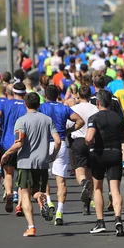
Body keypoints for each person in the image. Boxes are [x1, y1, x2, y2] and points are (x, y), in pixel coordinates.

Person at [1, 92, 61, 237]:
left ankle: (31, 226)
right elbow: (58, 141)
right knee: (38, 191)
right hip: (42, 162)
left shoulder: (21, 121)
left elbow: (19, 143)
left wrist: (6, 154)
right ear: (39, 104)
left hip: (25, 162)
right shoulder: (47, 120)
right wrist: (52, 155)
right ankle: (42, 199)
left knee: (25, 193)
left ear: (25, 104)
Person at [86, 90, 124, 236]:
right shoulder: (118, 117)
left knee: (98, 188)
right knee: (115, 190)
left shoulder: (94, 117)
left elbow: (89, 137)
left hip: (99, 153)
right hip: (115, 152)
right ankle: (118, 219)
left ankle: (100, 221)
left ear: (98, 102)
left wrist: (90, 143)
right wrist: (120, 139)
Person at [38, 85, 84, 224]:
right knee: (61, 180)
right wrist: (68, 131)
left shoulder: (41, 108)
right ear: (58, 95)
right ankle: (60, 211)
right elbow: (80, 121)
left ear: (45, 95)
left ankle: (49, 200)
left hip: (45, 144)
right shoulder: (64, 108)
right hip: (61, 142)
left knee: (43, 177)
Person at [0, 82, 28, 213]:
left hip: (7, 143)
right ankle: (19, 205)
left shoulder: (5, 104)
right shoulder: (27, 105)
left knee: (8, 173)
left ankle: (8, 192)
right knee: (21, 175)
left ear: (13, 93)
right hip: (23, 144)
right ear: (24, 94)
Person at [70, 86, 99, 216]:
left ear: (78, 95)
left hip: (78, 141)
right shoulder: (95, 109)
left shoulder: (73, 109)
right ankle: (87, 205)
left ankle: (83, 183)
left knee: (79, 171)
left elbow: (68, 126)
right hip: (92, 141)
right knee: (91, 173)